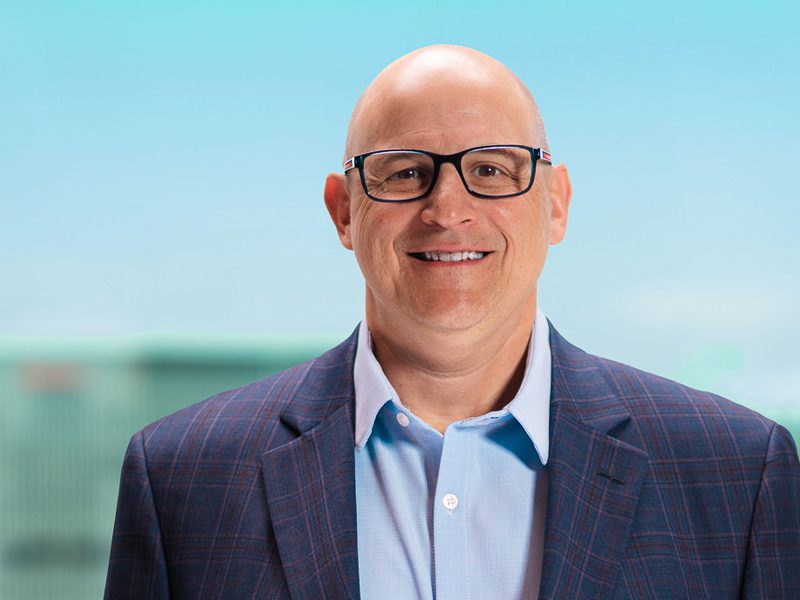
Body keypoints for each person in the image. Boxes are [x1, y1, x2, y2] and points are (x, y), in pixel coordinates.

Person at [104, 45, 800, 599]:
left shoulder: (737, 474)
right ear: (344, 211)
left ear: (556, 204)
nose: (447, 207)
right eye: (404, 172)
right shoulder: (180, 480)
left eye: (492, 170)